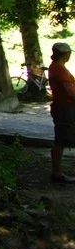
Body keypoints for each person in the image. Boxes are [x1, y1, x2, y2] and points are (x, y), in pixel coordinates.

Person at [47, 41, 75, 184]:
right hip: (65, 108)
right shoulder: (59, 69)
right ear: (66, 54)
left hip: (63, 107)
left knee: (63, 139)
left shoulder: (55, 67)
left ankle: (57, 172)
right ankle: (56, 173)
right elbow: (70, 91)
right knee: (61, 140)